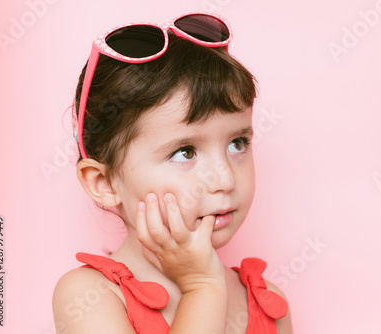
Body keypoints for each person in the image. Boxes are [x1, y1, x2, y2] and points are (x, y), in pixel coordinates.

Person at [52, 13, 293, 334]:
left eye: (237, 144)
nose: (225, 179)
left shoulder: (269, 303)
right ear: (104, 183)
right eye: (185, 152)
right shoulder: (89, 296)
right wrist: (202, 287)